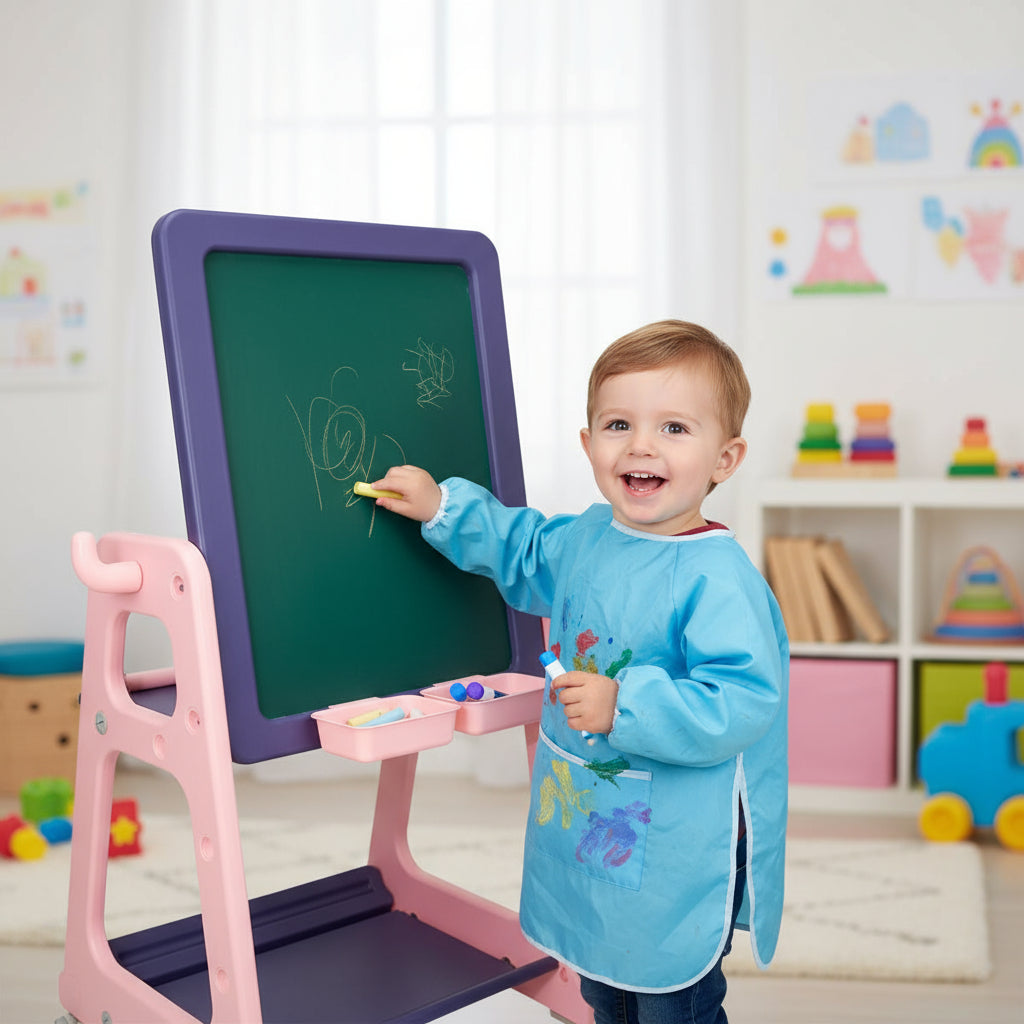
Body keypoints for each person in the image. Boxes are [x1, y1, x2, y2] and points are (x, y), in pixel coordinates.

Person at [371, 319, 789, 1024]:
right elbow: (525, 550)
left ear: (726, 458)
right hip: (595, 816)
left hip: (676, 840)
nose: (642, 445)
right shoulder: (592, 535)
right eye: (619, 423)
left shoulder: (719, 576)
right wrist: (443, 507)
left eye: (675, 429)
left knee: (668, 1001)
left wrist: (624, 704)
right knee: (602, 983)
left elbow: (742, 699)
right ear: (589, 443)